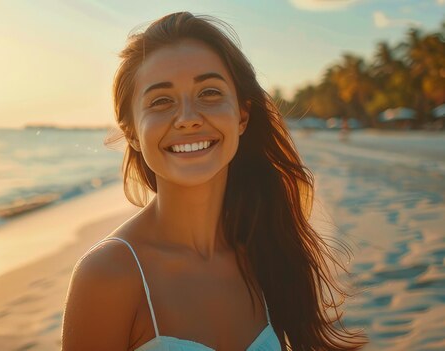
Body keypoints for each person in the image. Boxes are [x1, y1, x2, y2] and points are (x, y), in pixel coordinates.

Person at [62, 12, 368, 350]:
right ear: (132, 132)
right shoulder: (108, 275)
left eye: (209, 92)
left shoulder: (265, 250)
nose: (188, 119)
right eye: (161, 101)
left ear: (242, 116)